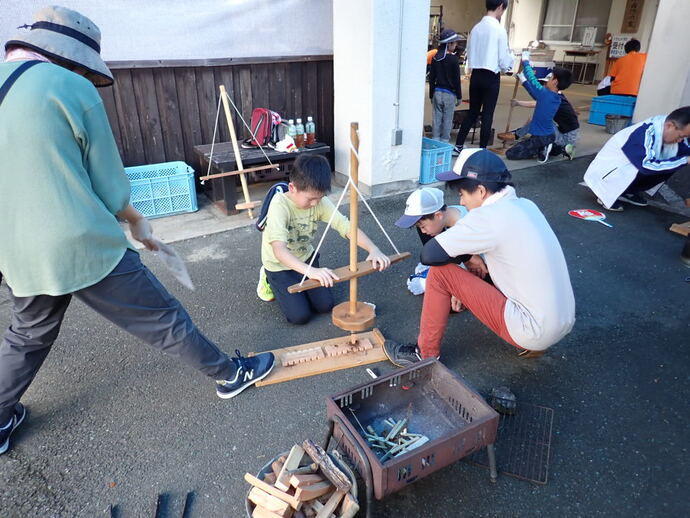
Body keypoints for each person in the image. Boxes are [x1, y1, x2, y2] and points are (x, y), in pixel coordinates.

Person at [0, 6, 275, 456]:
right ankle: (229, 375)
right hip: (79, 241)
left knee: (27, 334)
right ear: (72, 59)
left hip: (14, 249)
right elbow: (109, 185)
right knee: (160, 317)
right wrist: (135, 221)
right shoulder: (68, 87)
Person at [384, 149, 575, 366]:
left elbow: (429, 254)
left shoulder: (487, 217)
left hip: (532, 329)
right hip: (563, 320)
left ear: (481, 191)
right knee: (491, 266)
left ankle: (424, 354)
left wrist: (467, 259)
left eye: (463, 194)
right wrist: (471, 260)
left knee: (440, 274)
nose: (462, 202)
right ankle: (534, 342)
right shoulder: (527, 205)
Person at [258, 154, 391, 325]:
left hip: (306, 257)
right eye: (310, 199)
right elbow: (279, 250)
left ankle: (303, 280)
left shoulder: (320, 201)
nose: (315, 204)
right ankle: (267, 279)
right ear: (292, 188)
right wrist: (311, 272)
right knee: (299, 317)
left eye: (319, 198)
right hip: (279, 266)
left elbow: (345, 226)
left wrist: (373, 249)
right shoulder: (279, 206)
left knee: (325, 306)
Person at [584, 106, 690, 211]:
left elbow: (686, 150)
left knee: (674, 162)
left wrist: (683, 159)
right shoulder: (644, 132)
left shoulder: (668, 129)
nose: (681, 140)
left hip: (628, 168)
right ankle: (606, 192)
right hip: (607, 172)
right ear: (669, 126)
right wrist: (685, 160)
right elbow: (646, 165)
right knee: (671, 162)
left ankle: (626, 191)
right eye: (680, 136)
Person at [453, 0, 514, 154]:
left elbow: (469, 51)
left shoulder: (476, 28)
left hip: (476, 75)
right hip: (491, 76)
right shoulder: (499, 30)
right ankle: (482, 150)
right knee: (487, 114)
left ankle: (458, 146)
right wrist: (509, 64)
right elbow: (504, 60)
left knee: (473, 111)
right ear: (501, 6)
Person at [394, 187, 474, 298]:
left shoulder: (466, 227)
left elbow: (475, 266)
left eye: (422, 226)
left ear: (438, 215)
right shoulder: (444, 217)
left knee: (446, 300)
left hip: (482, 273)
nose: (422, 231)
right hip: (459, 263)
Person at [506, 53, 572, 163]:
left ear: (555, 82)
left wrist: (525, 61)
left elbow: (532, 79)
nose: (547, 80)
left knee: (511, 154)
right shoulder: (556, 97)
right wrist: (522, 79)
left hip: (541, 136)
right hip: (547, 134)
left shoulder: (545, 93)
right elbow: (533, 91)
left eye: (550, 78)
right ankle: (556, 148)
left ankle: (541, 148)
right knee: (534, 143)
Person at [510, 74, 580, 160]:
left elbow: (535, 103)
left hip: (566, 139)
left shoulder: (554, 98)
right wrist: (522, 79)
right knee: (539, 118)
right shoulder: (558, 96)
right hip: (564, 134)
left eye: (544, 83)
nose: (542, 86)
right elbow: (535, 95)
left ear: (554, 83)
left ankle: (517, 135)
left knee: (540, 121)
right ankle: (521, 134)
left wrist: (518, 103)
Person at [429, 29, 463, 142]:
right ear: (449, 44)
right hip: (450, 95)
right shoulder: (454, 59)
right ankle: (444, 143)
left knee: (436, 119)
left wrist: (431, 94)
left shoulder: (435, 58)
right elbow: (457, 81)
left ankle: (435, 141)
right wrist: (459, 96)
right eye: (455, 42)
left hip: (437, 93)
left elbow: (432, 78)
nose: (456, 44)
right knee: (447, 120)